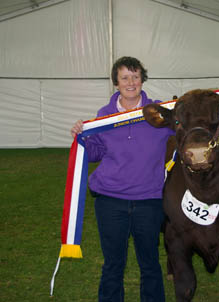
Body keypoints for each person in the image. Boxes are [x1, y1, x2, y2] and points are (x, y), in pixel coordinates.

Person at [70, 56, 174, 301]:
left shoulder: (159, 112)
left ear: (142, 80)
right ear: (116, 82)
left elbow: (191, 115)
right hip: (110, 201)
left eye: (135, 77)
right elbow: (95, 152)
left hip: (148, 200)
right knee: (113, 264)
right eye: (125, 77)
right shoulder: (104, 115)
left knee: (149, 264)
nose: (130, 82)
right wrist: (81, 137)